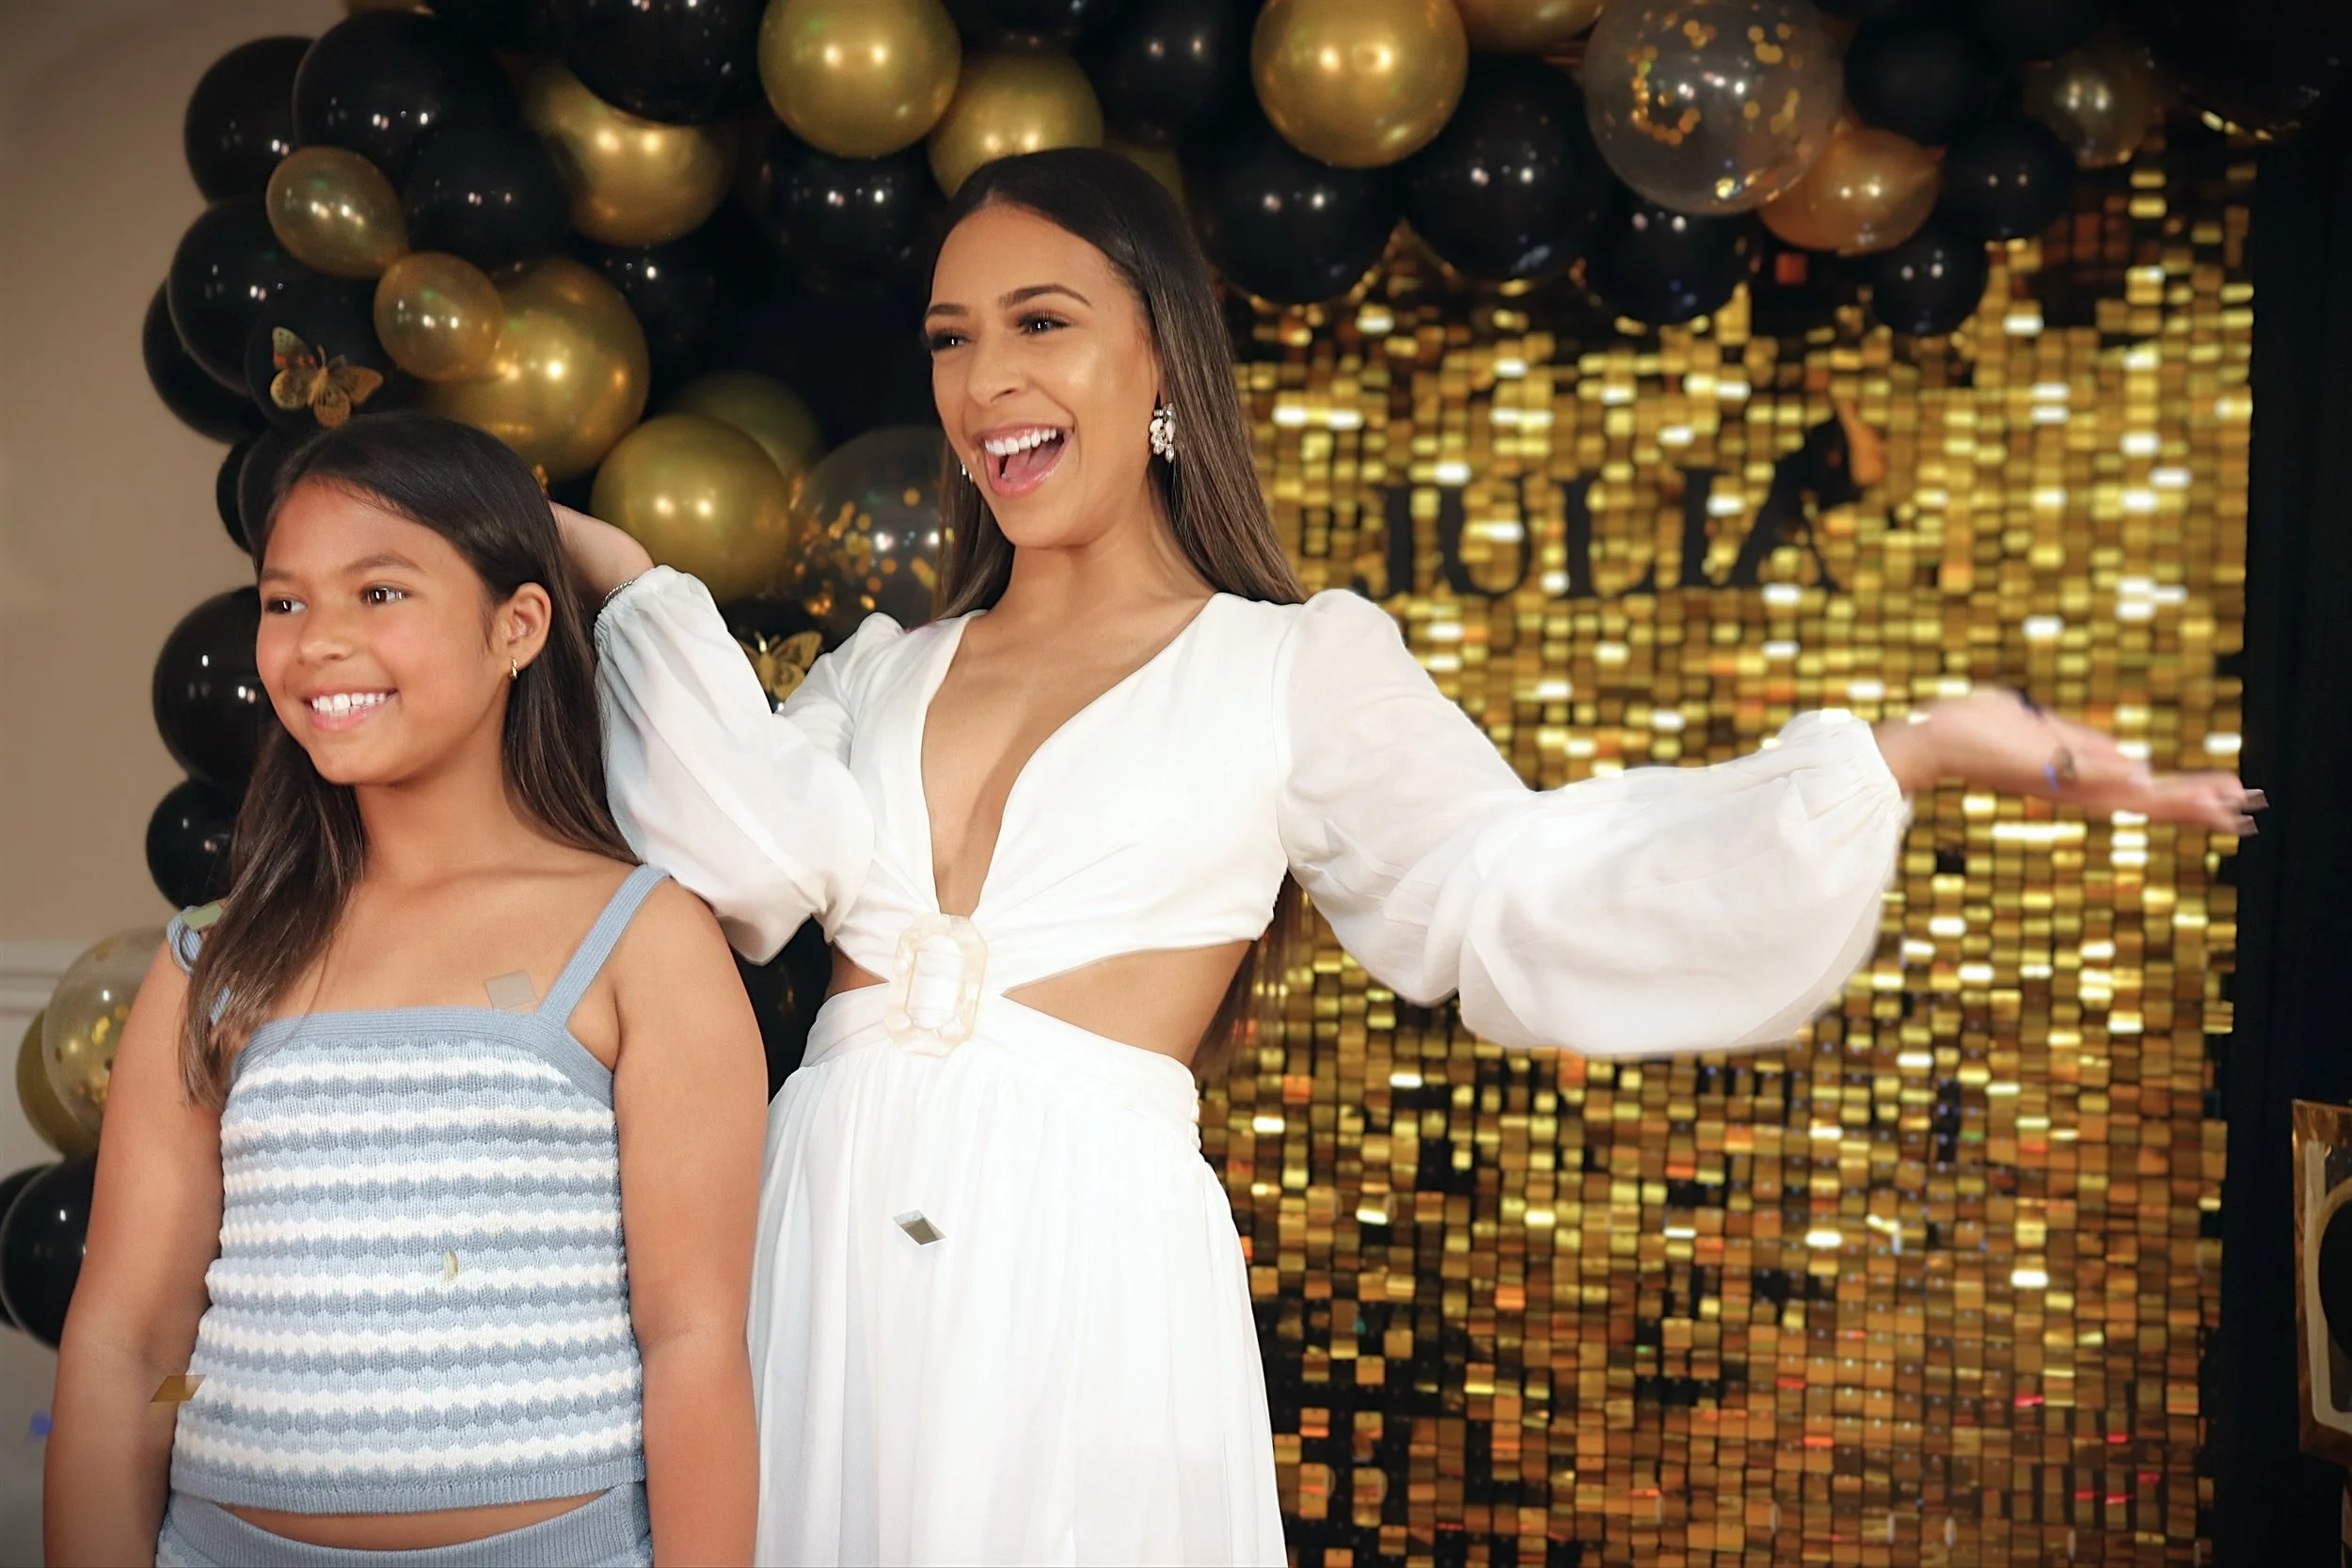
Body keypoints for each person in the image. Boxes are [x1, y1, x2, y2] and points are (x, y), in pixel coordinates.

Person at [558, 148, 2261, 1566]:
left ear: (1160, 359)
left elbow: (1512, 889)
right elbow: (737, 866)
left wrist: (1900, 756)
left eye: (1042, 323)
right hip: (818, 1236)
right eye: (949, 338)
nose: (986, 378)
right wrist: (614, 576)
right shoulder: (876, 669)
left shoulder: (1295, 665)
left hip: (1075, 1256)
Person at [46, 413, 765, 1568]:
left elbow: (692, 1340)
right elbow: (124, 1342)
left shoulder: (641, 936)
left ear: (517, 624)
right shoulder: (215, 960)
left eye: (380, 592)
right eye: (286, 601)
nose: (319, 640)